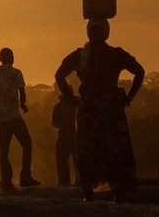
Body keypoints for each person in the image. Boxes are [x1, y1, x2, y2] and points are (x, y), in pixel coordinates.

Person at [54, 19, 145, 203]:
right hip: (111, 108)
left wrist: (71, 98)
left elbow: (59, 75)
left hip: (88, 108)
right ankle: (118, 190)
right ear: (106, 33)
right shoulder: (115, 54)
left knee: (87, 149)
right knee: (116, 149)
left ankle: (88, 192)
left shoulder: (81, 55)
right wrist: (128, 98)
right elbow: (139, 72)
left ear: (88, 33)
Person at [0, 48, 41, 191]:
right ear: (12, 58)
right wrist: (23, 104)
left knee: (4, 150)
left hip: (0, 116)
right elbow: (22, 92)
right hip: (13, 116)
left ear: (0, 59)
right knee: (27, 143)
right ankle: (25, 176)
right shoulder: (16, 73)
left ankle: (5, 180)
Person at [52, 95, 77, 186]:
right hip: (70, 136)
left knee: (63, 160)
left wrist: (63, 125)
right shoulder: (75, 105)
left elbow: (54, 123)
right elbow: (54, 122)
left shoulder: (58, 106)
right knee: (75, 159)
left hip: (67, 136)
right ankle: (75, 180)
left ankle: (64, 182)